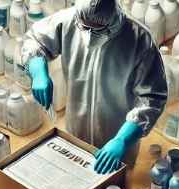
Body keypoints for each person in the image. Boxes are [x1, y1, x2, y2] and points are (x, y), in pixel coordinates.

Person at [22, 0, 168, 174]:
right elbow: (36, 40)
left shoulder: (139, 40)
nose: (90, 35)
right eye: (85, 27)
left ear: (112, 19)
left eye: (98, 29)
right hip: (76, 131)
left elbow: (152, 98)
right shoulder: (69, 20)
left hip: (118, 142)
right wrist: (38, 72)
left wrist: (122, 140)